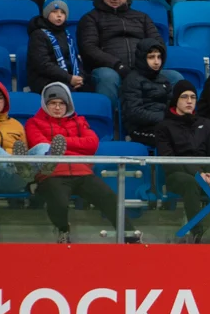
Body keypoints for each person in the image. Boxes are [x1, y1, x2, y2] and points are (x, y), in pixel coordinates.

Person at [26, 82, 138, 244]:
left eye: (61, 103)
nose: (57, 108)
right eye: (52, 104)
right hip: (52, 173)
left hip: (82, 171)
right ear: (45, 104)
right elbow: (43, 147)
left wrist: (61, 143)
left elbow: (92, 143)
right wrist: (77, 146)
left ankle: (130, 235)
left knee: (109, 197)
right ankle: (63, 231)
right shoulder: (33, 123)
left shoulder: (79, 121)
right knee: (59, 202)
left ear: (68, 104)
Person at [77, 0, 183, 111]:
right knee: (108, 77)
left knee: (176, 78)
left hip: (143, 69)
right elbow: (89, 49)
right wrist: (117, 65)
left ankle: (172, 123)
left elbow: (158, 44)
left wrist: (146, 66)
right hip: (111, 70)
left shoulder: (141, 17)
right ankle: (111, 125)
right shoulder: (90, 18)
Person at [155, 80, 210, 244]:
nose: (189, 101)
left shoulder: (207, 124)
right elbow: (169, 160)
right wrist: (198, 174)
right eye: (184, 97)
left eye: (193, 97)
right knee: (191, 182)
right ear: (176, 100)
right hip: (178, 175)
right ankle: (198, 234)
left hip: (207, 174)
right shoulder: (164, 127)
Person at [0, 80, 60, 193]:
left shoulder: (16, 125)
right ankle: (14, 165)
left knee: (44, 147)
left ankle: (44, 164)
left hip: (11, 179)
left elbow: (24, 151)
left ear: (5, 101)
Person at [27, 0, 85, 94]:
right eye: (54, 11)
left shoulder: (66, 34)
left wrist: (79, 77)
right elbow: (43, 65)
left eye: (62, 12)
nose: (59, 15)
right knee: (66, 91)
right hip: (44, 79)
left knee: (90, 86)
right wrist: (68, 78)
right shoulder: (38, 35)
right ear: (46, 13)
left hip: (67, 78)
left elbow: (75, 58)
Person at [121, 38, 172, 146]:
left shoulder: (164, 79)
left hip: (163, 124)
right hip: (139, 129)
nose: (156, 61)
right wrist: (164, 117)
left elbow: (171, 104)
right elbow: (134, 112)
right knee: (174, 137)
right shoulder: (132, 80)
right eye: (151, 57)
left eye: (159, 57)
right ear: (142, 58)